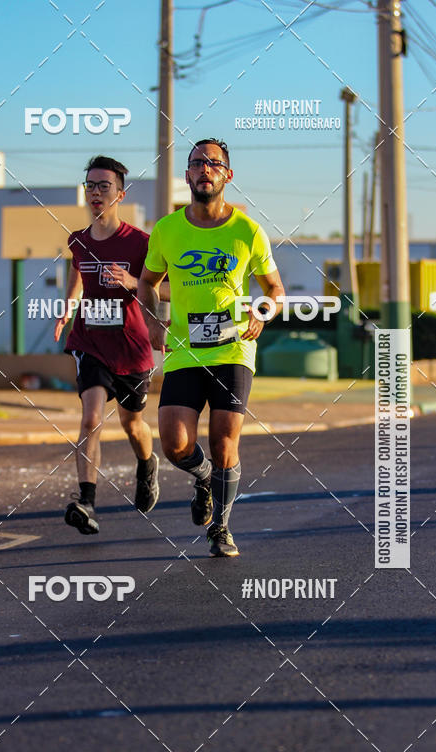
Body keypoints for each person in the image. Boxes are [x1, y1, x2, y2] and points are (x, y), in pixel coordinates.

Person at [137, 138, 285, 557]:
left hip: (233, 348)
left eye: (214, 163)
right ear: (187, 175)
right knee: (175, 444)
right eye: (196, 163)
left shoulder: (247, 231)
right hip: (184, 349)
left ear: (227, 175)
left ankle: (220, 527)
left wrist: (262, 311)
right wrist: (150, 319)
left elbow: (274, 288)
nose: (205, 169)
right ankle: (204, 477)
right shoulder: (167, 230)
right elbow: (147, 282)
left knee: (224, 441)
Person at [54, 155, 167, 535]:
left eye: (104, 186)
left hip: (132, 348)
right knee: (90, 418)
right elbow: (77, 275)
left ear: (121, 193)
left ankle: (147, 465)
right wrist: (66, 310)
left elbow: (168, 287)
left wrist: (134, 282)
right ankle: (86, 501)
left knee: (133, 423)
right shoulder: (79, 241)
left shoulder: (141, 243)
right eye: (90, 185)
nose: (96, 192)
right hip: (91, 342)